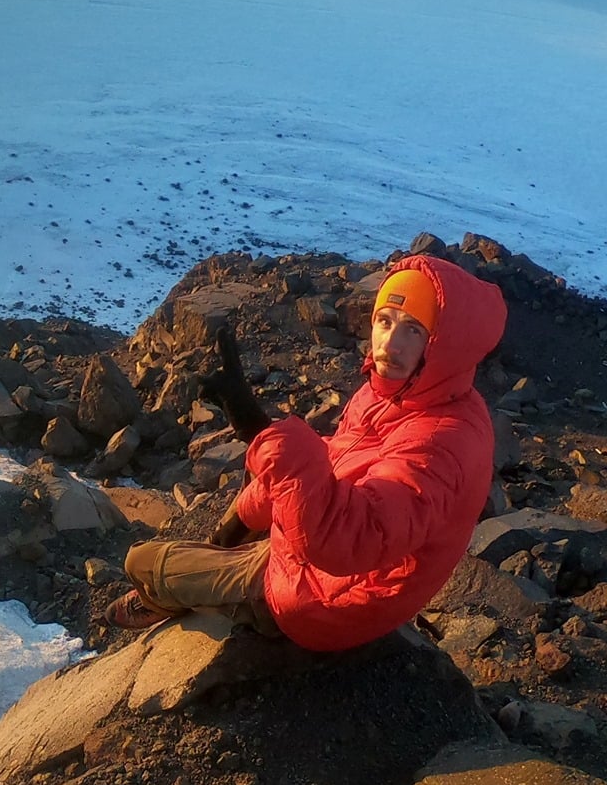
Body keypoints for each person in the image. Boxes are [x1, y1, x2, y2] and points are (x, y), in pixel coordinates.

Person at [107, 252, 507, 652]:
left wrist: (263, 433)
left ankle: (164, 596)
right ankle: (220, 557)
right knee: (267, 470)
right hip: (328, 547)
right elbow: (337, 460)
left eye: (414, 331)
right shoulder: (401, 391)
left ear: (443, 344)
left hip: (329, 599)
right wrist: (245, 508)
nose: (390, 344)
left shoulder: (444, 442)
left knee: (139, 563)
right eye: (384, 322)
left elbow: (353, 540)